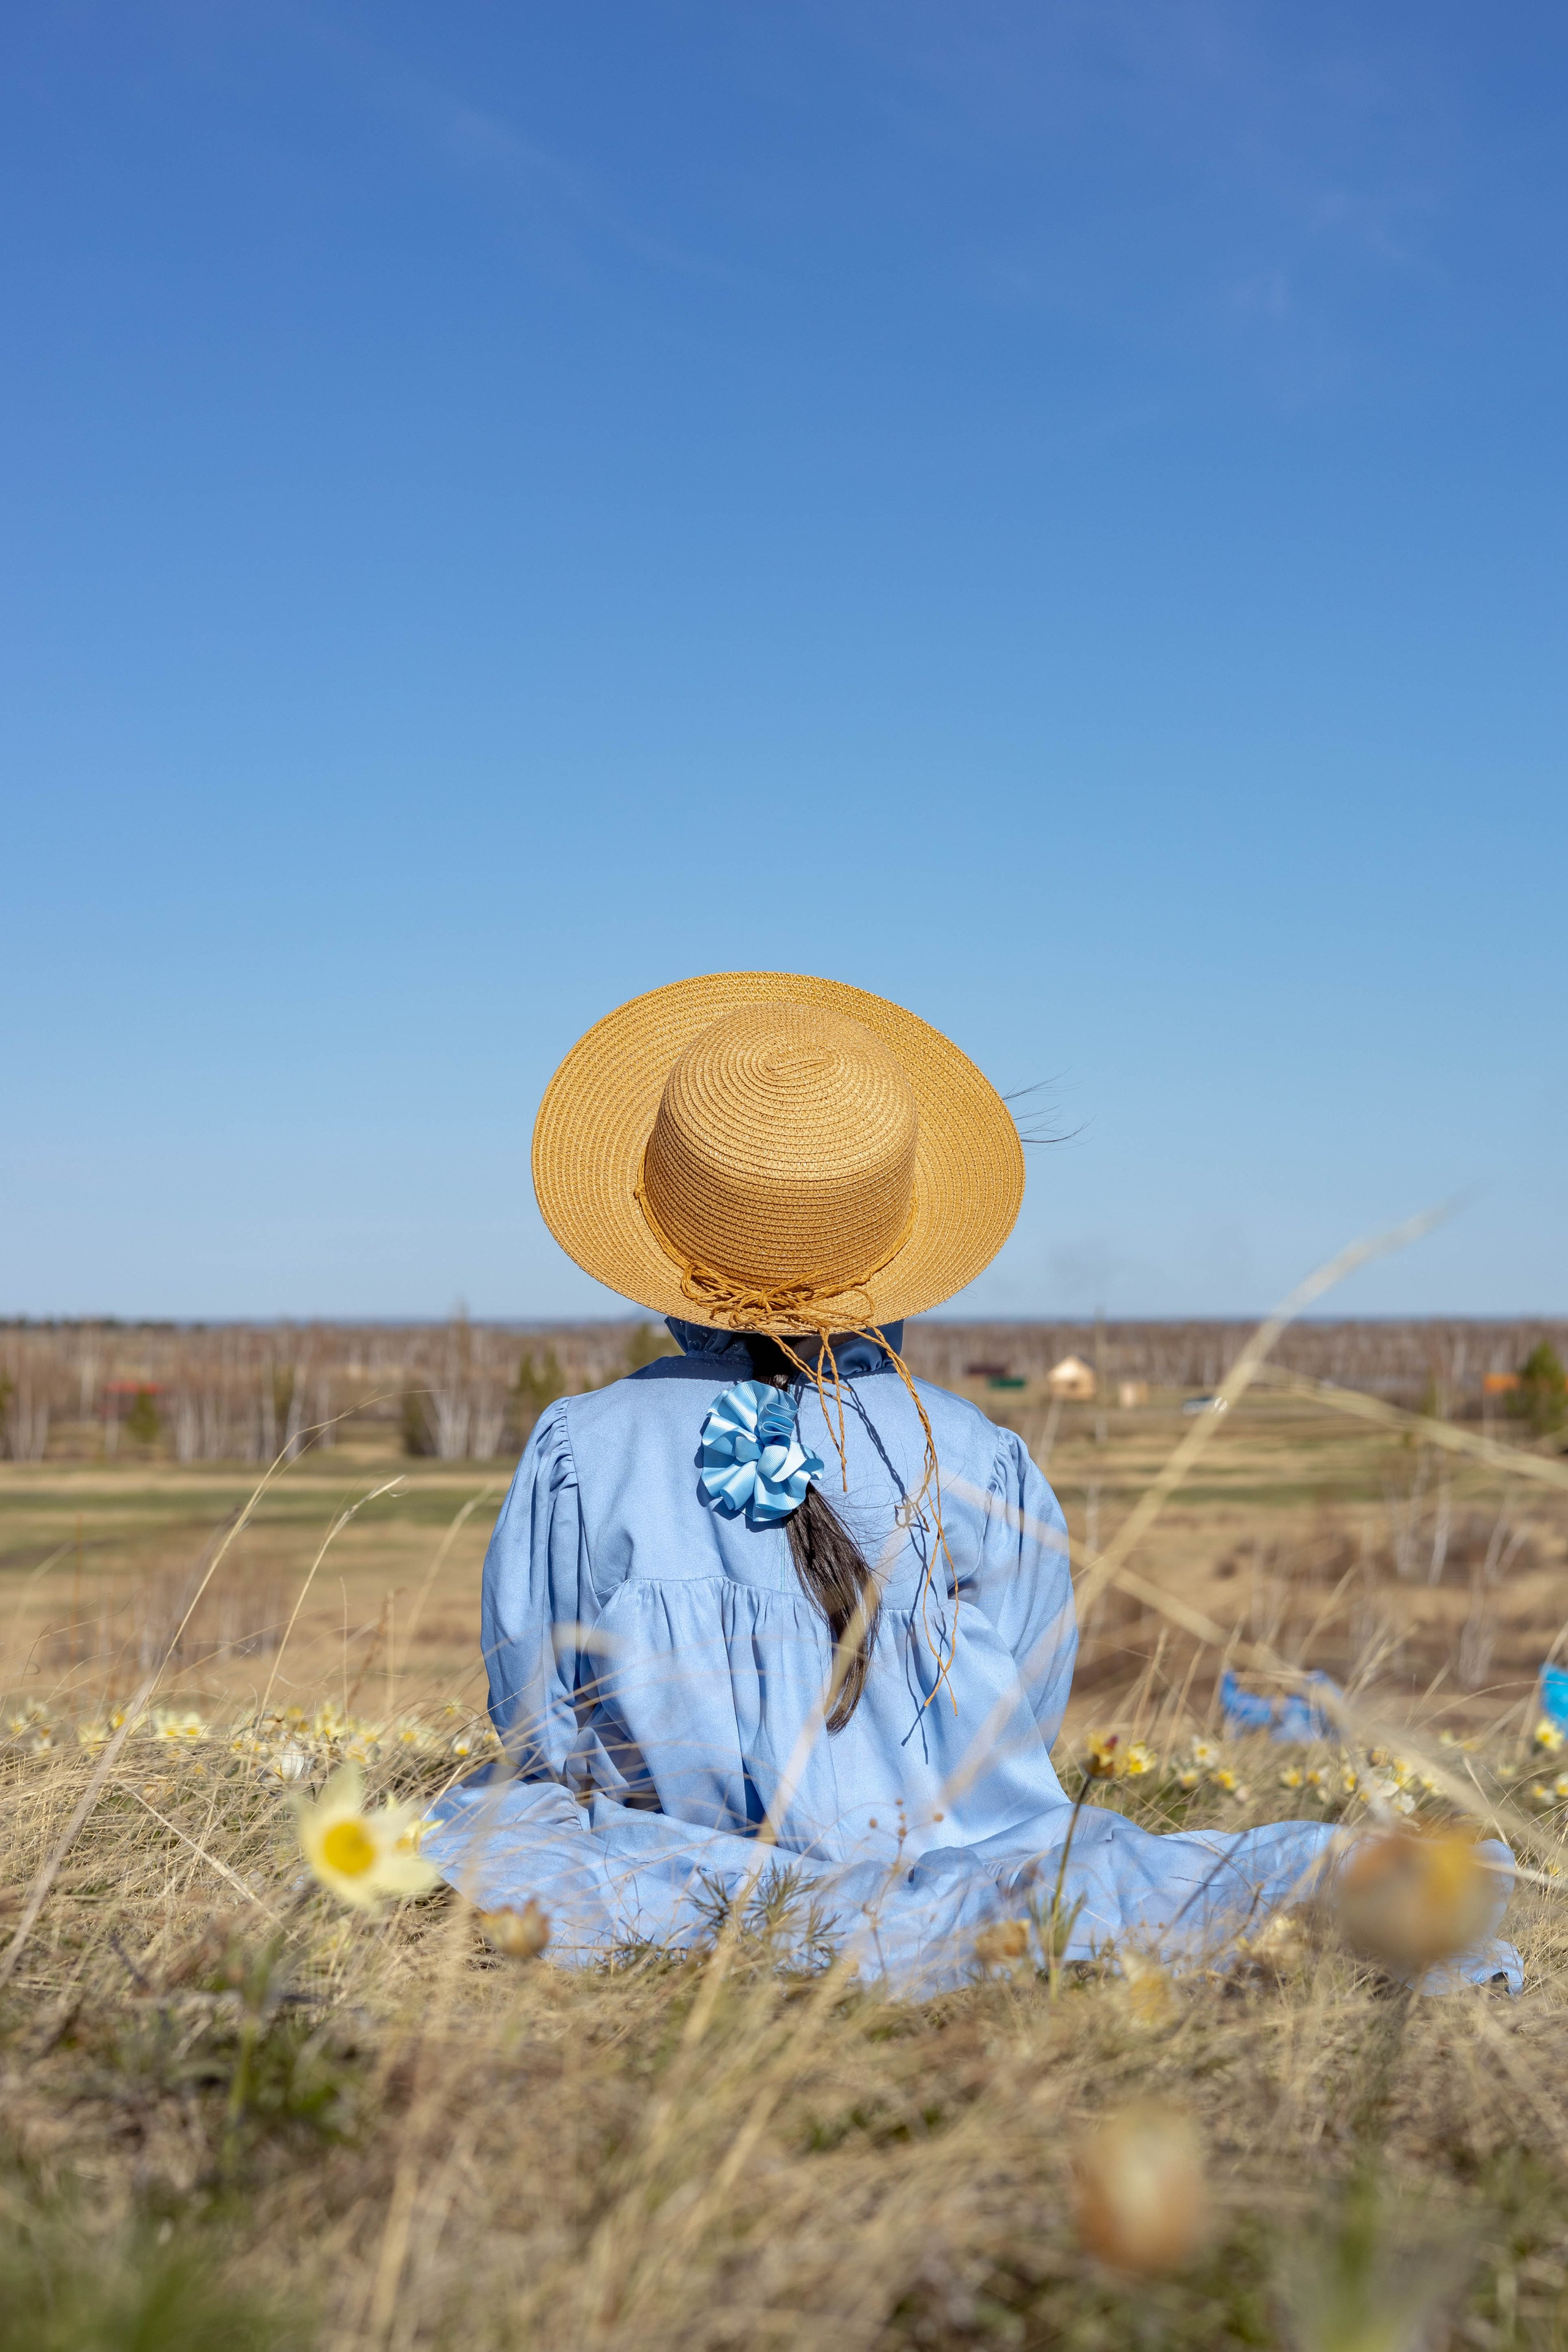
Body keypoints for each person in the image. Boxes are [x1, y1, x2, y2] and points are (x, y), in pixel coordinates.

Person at [426, 972, 1517, 1992]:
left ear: (664, 1245)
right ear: (896, 1248)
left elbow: (542, 1723)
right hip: (970, 1857)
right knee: (1108, 1883)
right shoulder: (978, 1456)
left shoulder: (584, 1447)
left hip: (671, 1854)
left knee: (503, 1841)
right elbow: (1029, 1709)